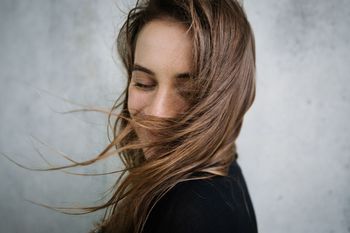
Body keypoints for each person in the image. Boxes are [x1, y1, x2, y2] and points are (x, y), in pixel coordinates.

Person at [87, 0, 258, 232]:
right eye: (143, 83)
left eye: (189, 92)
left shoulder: (188, 214)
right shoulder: (225, 169)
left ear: (230, 98)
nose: (157, 112)